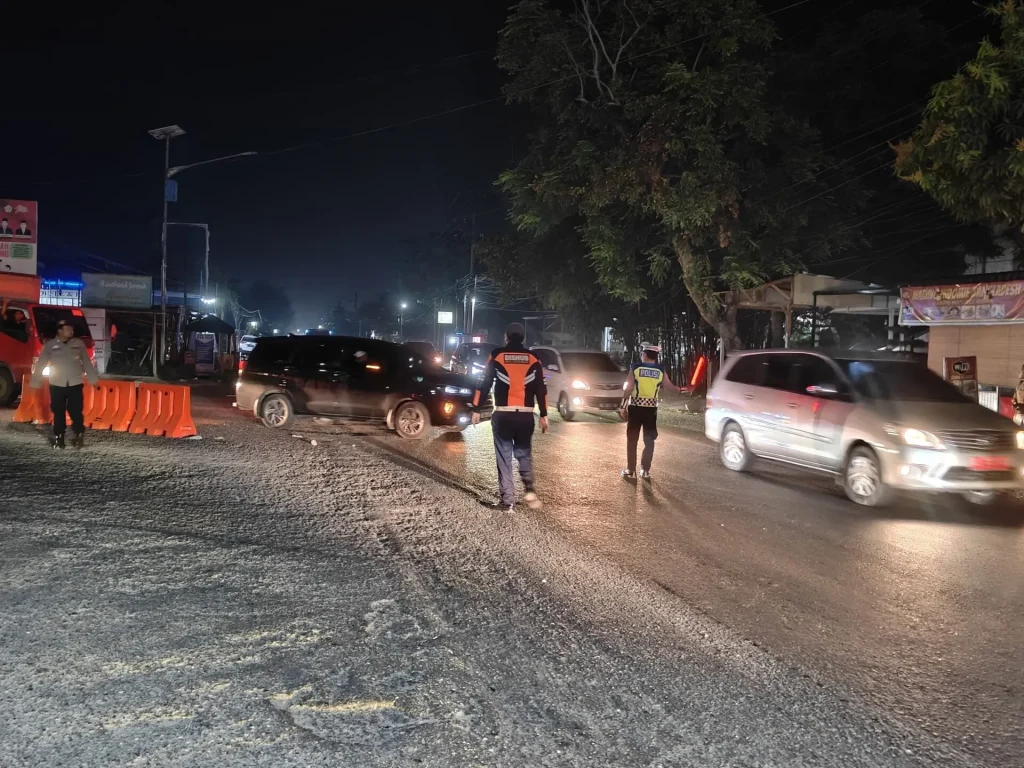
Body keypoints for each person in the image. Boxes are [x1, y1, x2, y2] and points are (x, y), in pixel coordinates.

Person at [471, 322, 548, 511]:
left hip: (503, 415)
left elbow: (484, 382)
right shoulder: (533, 357)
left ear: (506, 337)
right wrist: (544, 414)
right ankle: (530, 490)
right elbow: (541, 388)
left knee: (504, 458)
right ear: (523, 338)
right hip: (525, 416)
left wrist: (476, 408)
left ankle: (508, 501)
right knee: (523, 453)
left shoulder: (497, 355)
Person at [31, 319, 100, 449]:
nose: (71, 331)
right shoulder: (50, 345)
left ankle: (79, 434)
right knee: (58, 411)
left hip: (75, 383)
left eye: (71, 329)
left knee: (75, 411)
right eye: (67, 329)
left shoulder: (78, 344)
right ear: (60, 331)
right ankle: (59, 437)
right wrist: (35, 381)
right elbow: (41, 363)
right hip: (57, 383)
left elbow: (86, 362)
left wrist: (93, 379)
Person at [620, 343, 683, 481]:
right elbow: (670, 387)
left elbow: (628, 388)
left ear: (645, 355)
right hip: (651, 411)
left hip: (636, 408)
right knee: (649, 441)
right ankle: (645, 470)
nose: (642, 356)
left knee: (632, 440)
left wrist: (623, 406)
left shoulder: (636, 368)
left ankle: (631, 470)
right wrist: (682, 390)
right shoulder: (660, 371)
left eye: (642, 354)